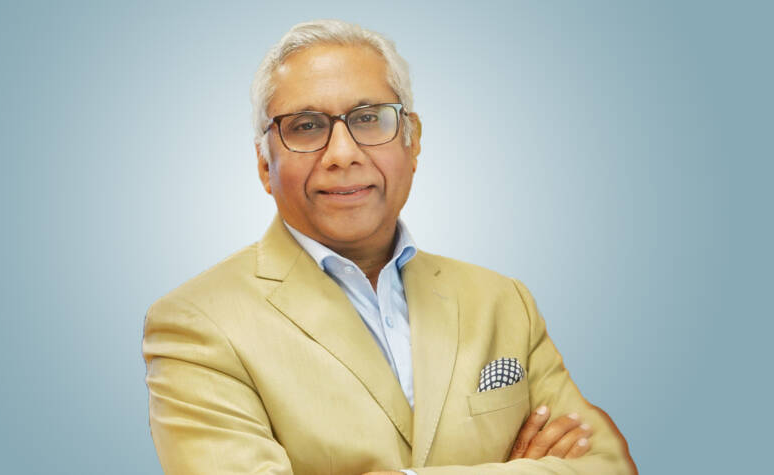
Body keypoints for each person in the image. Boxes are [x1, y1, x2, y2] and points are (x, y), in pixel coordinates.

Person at [142, 19, 636, 475]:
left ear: (412, 141)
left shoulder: (504, 302)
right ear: (263, 165)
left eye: (369, 118)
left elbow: (609, 466)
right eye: (306, 126)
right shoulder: (195, 324)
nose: (342, 154)